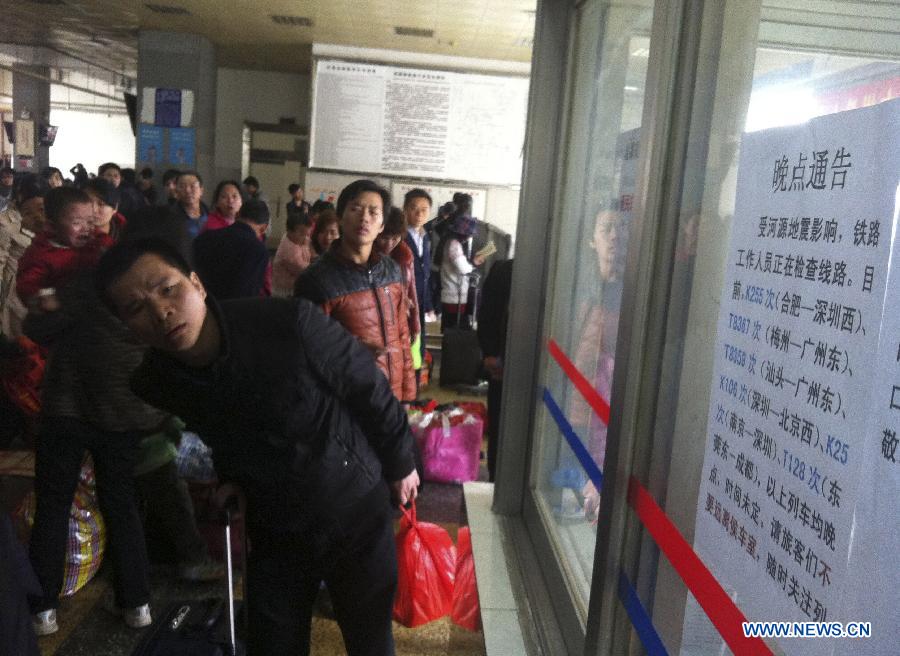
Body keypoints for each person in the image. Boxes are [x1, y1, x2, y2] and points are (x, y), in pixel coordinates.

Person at [96, 237, 419, 655]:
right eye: (137, 308)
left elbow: (369, 388)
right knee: (273, 641)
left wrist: (400, 465)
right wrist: (230, 477)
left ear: (196, 284)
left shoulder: (288, 323)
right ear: (126, 324)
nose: (161, 312)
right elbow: (219, 428)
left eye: (168, 288)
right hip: (273, 524)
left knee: (369, 638)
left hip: (351, 505)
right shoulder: (157, 381)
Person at [25, 189, 160, 636]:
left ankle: (42, 609)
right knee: (121, 502)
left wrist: (50, 305)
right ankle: (136, 602)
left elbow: (38, 326)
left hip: (69, 408)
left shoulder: (83, 282)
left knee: (54, 504)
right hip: (122, 413)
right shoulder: (151, 290)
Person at [295, 180, 416, 402]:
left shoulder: (391, 271)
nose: (364, 217)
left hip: (391, 397)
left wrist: (407, 394)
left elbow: (401, 335)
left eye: (374, 212)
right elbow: (306, 348)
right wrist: (351, 349)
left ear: (381, 225)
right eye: (355, 209)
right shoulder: (316, 279)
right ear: (340, 217)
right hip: (346, 399)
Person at [15, 187, 103, 313]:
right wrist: (45, 297)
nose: (86, 228)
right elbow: (26, 285)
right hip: (64, 317)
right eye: (77, 223)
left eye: (90, 221)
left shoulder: (94, 241)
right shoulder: (40, 256)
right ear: (51, 226)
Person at [477, 258, 513, 482]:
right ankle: (495, 478)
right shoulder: (504, 270)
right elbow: (487, 313)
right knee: (500, 423)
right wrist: (490, 353)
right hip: (503, 365)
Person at [193, 199, 271, 300]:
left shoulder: (205, 237)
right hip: (232, 312)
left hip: (201, 307)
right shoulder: (258, 251)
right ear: (264, 228)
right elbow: (249, 296)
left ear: (237, 215)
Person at [0, 175, 47, 337]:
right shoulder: (5, 223)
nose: (38, 214)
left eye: (42, 207)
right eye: (29, 208)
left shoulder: (54, 220)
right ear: (20, 198)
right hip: (15, 294)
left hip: (45, 291)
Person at [435, 206, 484, 331]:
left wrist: (471, 263)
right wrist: (473, 264)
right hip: (454, 295)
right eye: (468, 234)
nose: (469, 237)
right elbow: (463, 268)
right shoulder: (454, 245)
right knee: (454, 328)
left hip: (452, 293)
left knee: (449, 327)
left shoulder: (450, 242)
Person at [376, 208, 419, 346]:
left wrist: (415, 325)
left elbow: (412, 291)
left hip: (400, 320)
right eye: (384, 238)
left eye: (395, 238)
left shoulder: (405, 256)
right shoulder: (367, 256)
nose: (389, 244)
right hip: (377, 323)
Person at [402, 189, 433, 369]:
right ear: (405, 209)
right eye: (414, 208)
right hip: (405, 300)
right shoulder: (399, 237)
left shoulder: (426, 237)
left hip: (420, 299)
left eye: (424, 209)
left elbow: (426, 273)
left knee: (418, 342)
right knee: (406, 341)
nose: (419, 213)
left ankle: (415, 383)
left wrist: (428, 304)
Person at [272, 212, 314, 297]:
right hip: (285, 292)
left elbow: (308, 246)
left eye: (308, 234)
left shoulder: (294, 239)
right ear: (289, 231)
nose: (306, 238)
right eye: (302, 234)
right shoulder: (289, 250)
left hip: (294, 287)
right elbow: (303, 269)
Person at [83, 178, 126, 244]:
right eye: (87, 203)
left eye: (101, 204)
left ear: (115, 208)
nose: (94, 210)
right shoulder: (70, 237)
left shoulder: (127, 235)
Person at [173, 170, 208, 239]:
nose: (188, 190)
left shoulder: (211, 214)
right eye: (182, 186)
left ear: (201, 191)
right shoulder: (170, 218)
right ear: (176, 192)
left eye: (193, 186)